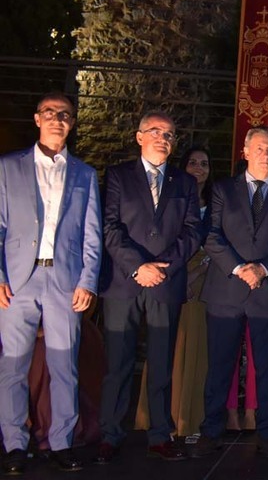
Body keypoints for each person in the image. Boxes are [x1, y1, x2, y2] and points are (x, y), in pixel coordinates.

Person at [0, 93, 102, 474]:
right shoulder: (8, 167)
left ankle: (60, 442)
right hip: (18, 280)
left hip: (64, 281)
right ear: (37, 119)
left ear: (71, 123)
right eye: (50, 113)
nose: (57, 119)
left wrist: (87, 280)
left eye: (65, 115)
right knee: (13, 366)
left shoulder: (85, 174)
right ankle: (13, 444)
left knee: (64, 366)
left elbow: (92, 236)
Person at [96, 112, 202, 463]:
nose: (163, 138)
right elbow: (109, 227)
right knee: (119, 363)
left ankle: (160, 434)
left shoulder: (184, 183)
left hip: (165, 282)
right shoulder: (118, 176)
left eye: (170, 134)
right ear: (139, 136)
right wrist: (138, 266)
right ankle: (110, 434)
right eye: (155, 132)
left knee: (161, 363)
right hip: (124, 282)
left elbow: (192, 233)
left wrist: (163, 269)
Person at [191, 127, 268, 459]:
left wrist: (263, 269)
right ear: (245, 152)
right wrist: (241, 268)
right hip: (227, 290)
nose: (265, 155)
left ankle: (267, 436)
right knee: (220, 366)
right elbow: (211, 235)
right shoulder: (224, 189)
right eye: (259, 149)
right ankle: (211, 432)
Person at [134, 146, 214, 438]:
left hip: (203, 287)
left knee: (196, 354)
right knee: (165, 350)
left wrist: (198, 275)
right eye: (192, 162)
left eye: (204, 163)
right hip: (170, 278)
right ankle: (155, 418)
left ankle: (187, 421)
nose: (198, 168)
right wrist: (181, 274)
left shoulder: (216, 204)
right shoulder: (170, 199)